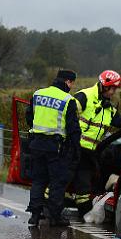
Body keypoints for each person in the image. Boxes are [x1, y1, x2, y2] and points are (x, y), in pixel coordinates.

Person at [70, 70, 121, 216]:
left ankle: (83, 212)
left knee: (84, 186)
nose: (114, 92)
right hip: (73, 147)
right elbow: (67, 113)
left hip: (89, 152)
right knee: (61, 179)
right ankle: (46, 210)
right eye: (113, 88)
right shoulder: (85, 96)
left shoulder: (108, 108)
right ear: (104, 86)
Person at [25, 69, 81, 227]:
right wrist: (76, 149)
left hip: (36, 144)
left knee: (38, 181)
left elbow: (29, 117)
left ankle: (35, 215)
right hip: (55, 147)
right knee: (57, 182)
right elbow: (73, 129)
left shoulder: (38, 94)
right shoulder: (67, 99)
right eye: (72, 84)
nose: (72, 87)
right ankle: (55, 217)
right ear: (68, 82)